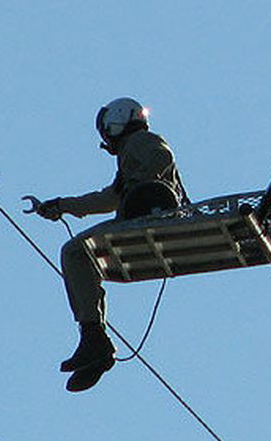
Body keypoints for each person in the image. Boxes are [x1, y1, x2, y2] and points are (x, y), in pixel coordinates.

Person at [33, 97, 187, 392]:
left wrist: (143, 183)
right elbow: (109, 197)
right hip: (143, 214)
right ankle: (93, 339)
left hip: (148, 215)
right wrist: (62, 205)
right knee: (78, 253)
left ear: (116, 122)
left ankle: (94, 337)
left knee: (75, 253)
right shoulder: (131, 154)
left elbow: (161, 157)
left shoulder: (141, 141)